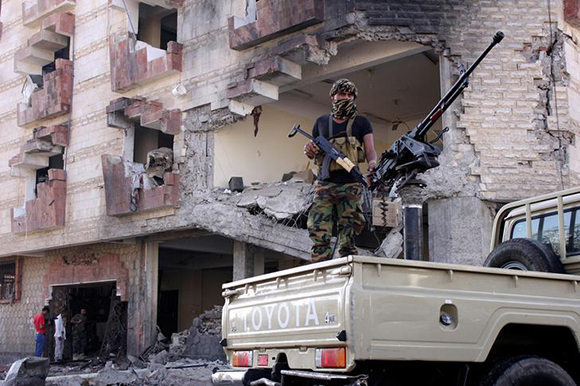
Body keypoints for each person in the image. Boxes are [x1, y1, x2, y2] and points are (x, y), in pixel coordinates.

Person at [304, 79, 377, 262]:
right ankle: (320, 267)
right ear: (332, 96)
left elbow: (369, 149)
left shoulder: (361, 122)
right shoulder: (321, 122)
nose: (345, 97)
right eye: (342, 94)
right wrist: (308, 150)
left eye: (349, 95)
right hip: (325, 184)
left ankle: (348, 267)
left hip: (351, 184)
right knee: (319, 228)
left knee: (350, 232)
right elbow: (313, 150)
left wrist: (373, 164)